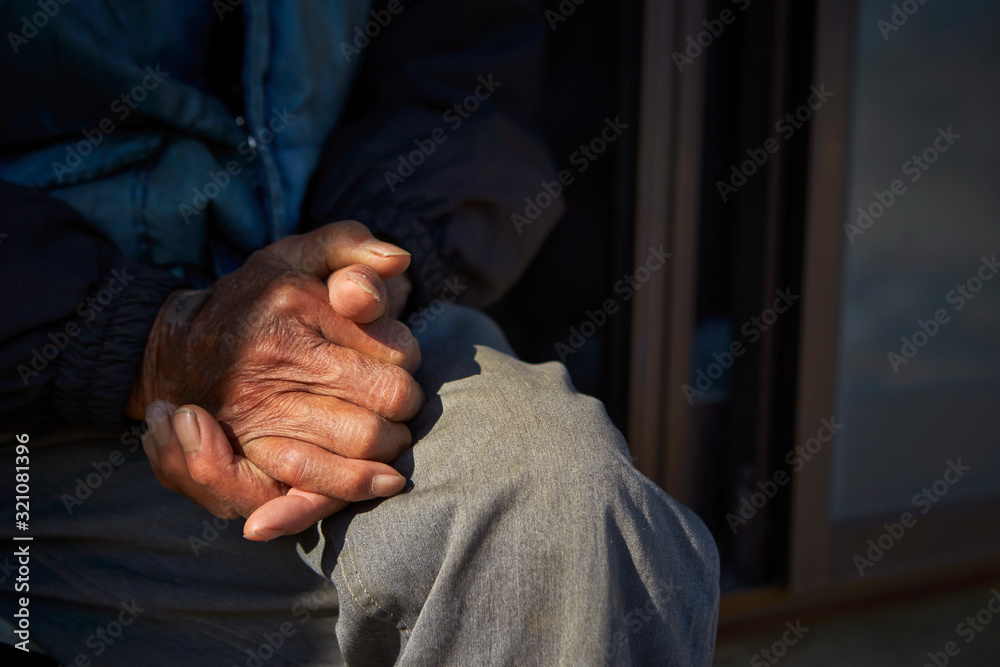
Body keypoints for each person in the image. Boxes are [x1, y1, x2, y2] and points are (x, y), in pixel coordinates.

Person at [0, 0, 720, 664]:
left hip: (332, 299)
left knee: (566, 518)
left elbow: (464, 77)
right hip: (34, 390)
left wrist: (367, 271)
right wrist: (141, 341)